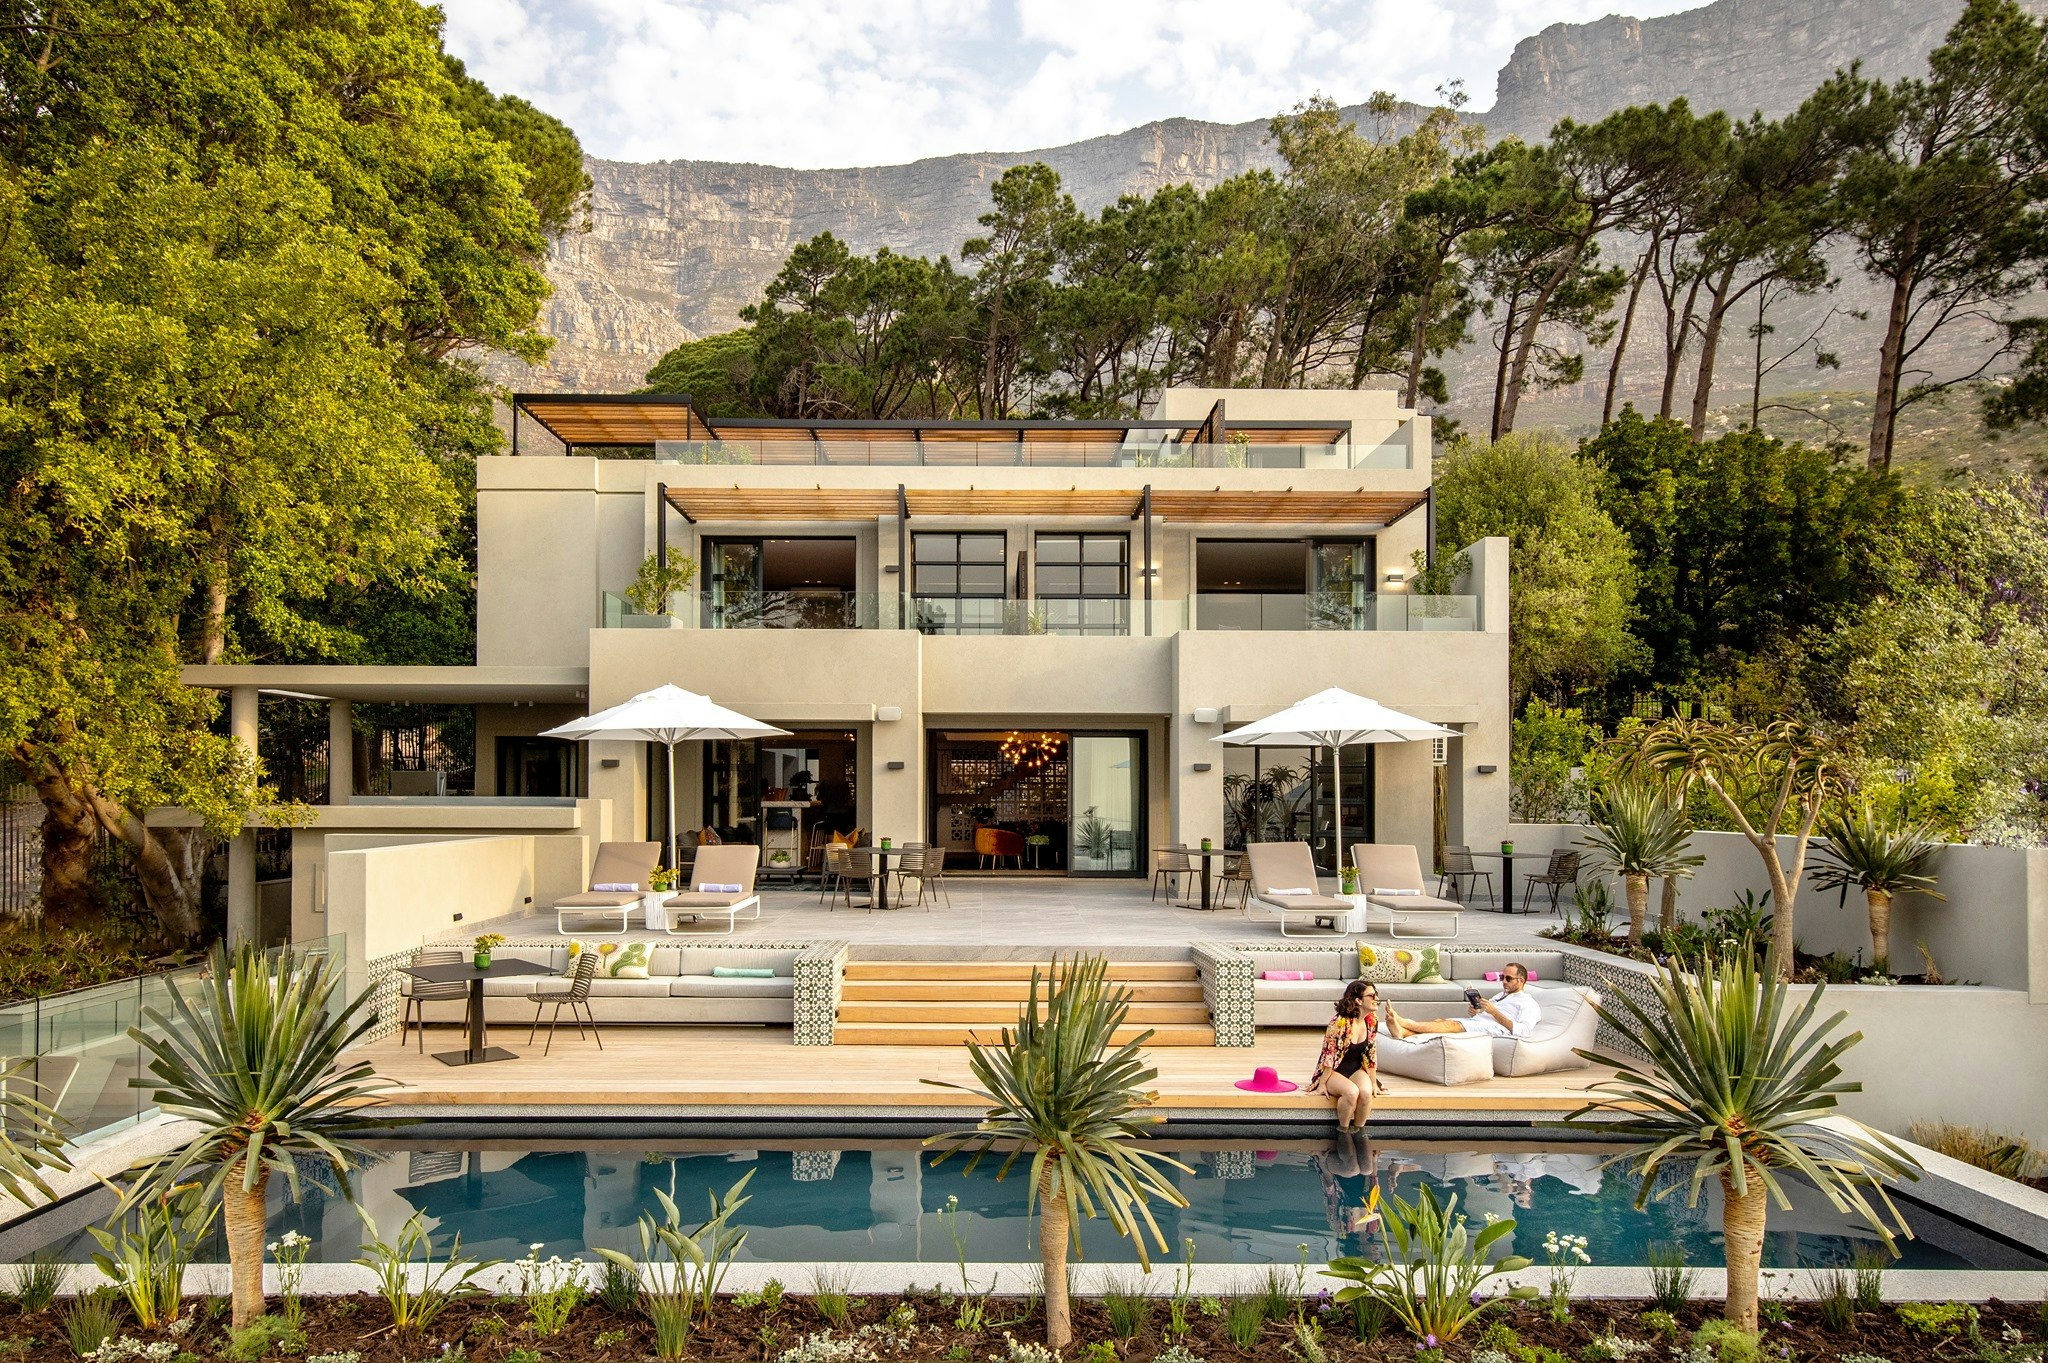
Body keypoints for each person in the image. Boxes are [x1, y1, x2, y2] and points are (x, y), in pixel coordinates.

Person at [1385, 962, 1540, 1039]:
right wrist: (1476, 1011)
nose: (1504, 981)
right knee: (1440, 1022)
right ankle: (1404, 1033)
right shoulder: (1500, 996)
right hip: (1479, 1022)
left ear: (1521, 981)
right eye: (1502, 977)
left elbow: (1524, 1031)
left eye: (1508, 978)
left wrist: (1494, 1012)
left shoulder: (1528, 1004)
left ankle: (1405, 1023)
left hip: (1494, 1029)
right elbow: (1485, 1014)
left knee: (1452, 1025)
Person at [1309, 981, 1386, 1132]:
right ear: (1358, 1000)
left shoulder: (1371, 1021)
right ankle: (1343, 1131)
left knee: (1366, 1093)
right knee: (1351, 1093)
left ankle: (1358, 1132)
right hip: (1334, 1071)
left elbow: (1371, 1054)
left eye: (1376, 994)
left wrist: (1373, 1082)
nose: (1376, 999)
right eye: (1371, 996)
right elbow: (1329, 1054)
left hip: (1356, 1069)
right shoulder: (1339, 1022)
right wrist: (1322, 1083)